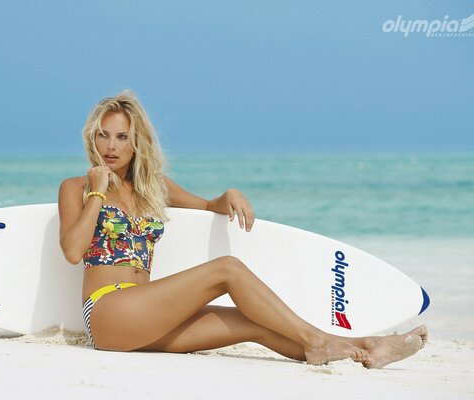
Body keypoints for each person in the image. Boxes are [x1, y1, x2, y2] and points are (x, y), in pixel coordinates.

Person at [58, 89, 427, 368]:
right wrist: (97, 192)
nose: (111, 146)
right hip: (108, 313)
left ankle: (362, 349)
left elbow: (206, 206)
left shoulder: (155, 187)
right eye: (103, 135)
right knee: (227, 269)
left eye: (121, 137)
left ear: (136, 142)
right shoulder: (75, 187)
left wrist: (229, 194)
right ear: (92, 138)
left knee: (256, 325)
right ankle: (320, 341)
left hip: (145, 315)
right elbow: (73, 251)